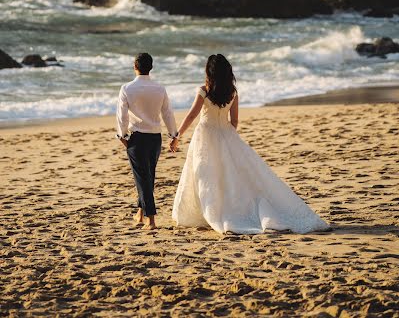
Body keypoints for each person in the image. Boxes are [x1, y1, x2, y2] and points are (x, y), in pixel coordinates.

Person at [171, 54, 329, 234]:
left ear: (209, 72)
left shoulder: (204, 91)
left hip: (205, 135)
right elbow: (235, 121)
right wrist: (227, 138)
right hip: (226, 134)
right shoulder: (232, 92)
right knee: (228, 175)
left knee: (205, 174)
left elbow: (192, 115)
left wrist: (177, 135)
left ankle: (209, 212)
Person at [116, 52, 178, 230]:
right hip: (155, 138)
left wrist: (122, 136)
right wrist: (173, 135)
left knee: (143, 178)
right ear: (150, 68)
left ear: (135, 67)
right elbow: (168, 113)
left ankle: (151, 219)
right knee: (147, 176)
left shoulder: (127, 88)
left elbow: (122, 116)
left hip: (137, 138)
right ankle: (140, 213)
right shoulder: (160, 88)